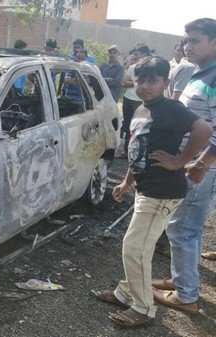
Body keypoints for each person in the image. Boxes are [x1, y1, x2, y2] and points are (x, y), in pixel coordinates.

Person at [94, 56, 212, 327]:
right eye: (140, 80)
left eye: (152, 80)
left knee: (135, 248)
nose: (145, 86)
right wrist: (127, 182)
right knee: (138, 246)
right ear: (133, 81)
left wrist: (180, 161)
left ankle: (144, 308)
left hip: (163, 191)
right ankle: (125, 292)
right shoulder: (141, 110)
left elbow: (204, 129)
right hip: (146, 190)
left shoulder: (171, 108)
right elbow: (138, 150)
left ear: (165, 83)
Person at [150, 18, 216, 314]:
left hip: (200, 168)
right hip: (198, 165)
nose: (187, 46)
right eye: (185, 40)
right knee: (190, 227)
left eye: (195, 41)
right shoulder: (202, 73)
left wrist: (200, 163)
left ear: (214, 43)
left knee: (182, 229)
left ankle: (186, 296)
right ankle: (181, 282)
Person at [119, 44, 150, 158]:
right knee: (127, 125)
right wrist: (137, 83)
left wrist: (133, 83)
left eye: (137, 54)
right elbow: (124, 83)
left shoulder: (149, 69)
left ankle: (137, 153)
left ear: (145, 55)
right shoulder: (132, 67)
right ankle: (126, 151)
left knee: (138, 126)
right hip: (128, 99)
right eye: (133, 54)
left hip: (139, 101)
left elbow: (145, 85)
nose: (134, 56)